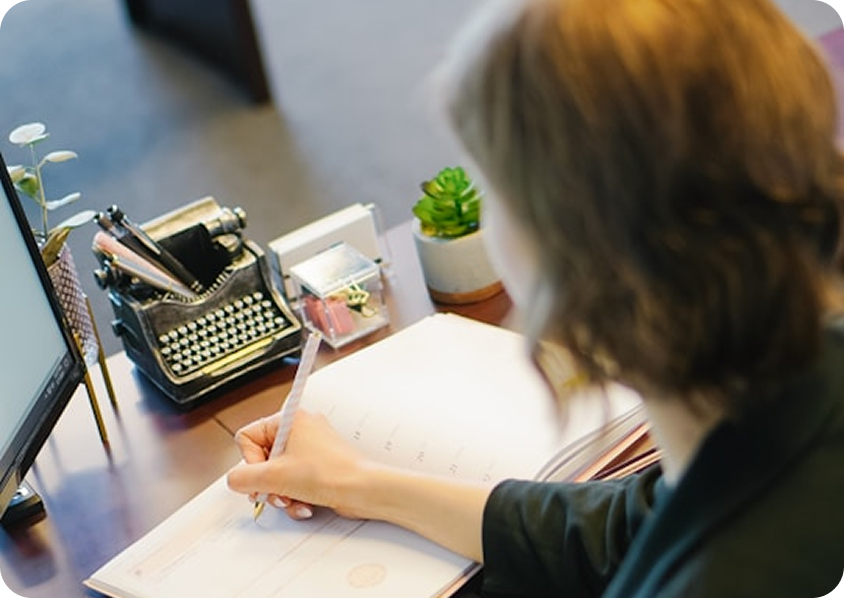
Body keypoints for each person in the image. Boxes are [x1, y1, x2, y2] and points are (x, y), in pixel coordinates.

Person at [227, 0, 844, 595]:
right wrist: (361, 484)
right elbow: (635, 525)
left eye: (494, 191)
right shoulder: (781, 394)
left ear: (577, 250)